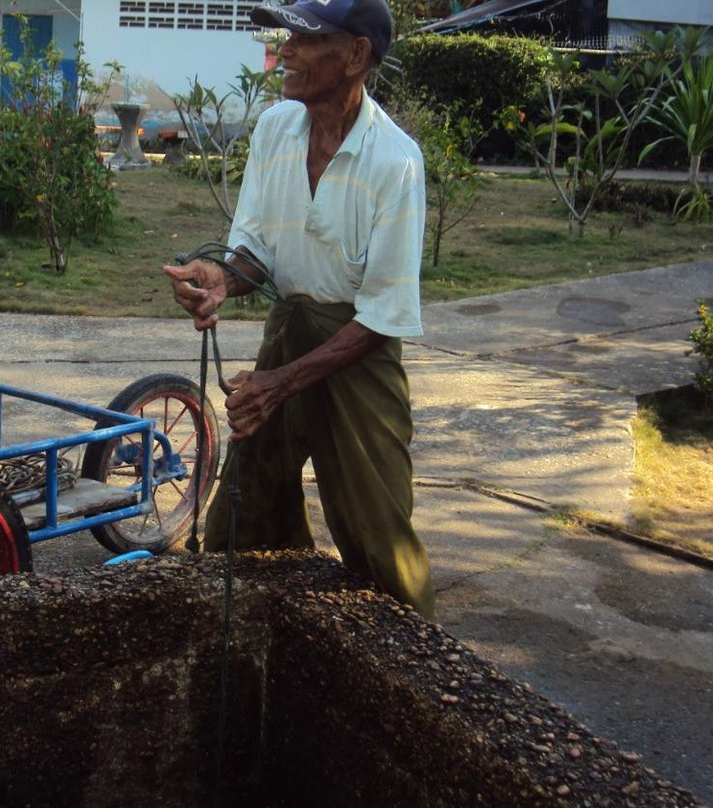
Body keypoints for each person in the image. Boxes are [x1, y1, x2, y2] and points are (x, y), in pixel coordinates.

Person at [164, 0, 436, 619]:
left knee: (379, 530)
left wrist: (278, 385)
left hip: (357, 352)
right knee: (245, 505)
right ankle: (272, 629)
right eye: (287, 36)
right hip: (288, 329)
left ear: (356, 56)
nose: (286, 50)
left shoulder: (394, 162)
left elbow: (383, 315)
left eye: (307, 39)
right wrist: (220, 282)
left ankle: (415, 664)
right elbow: (256, 250)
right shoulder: (275, 129)